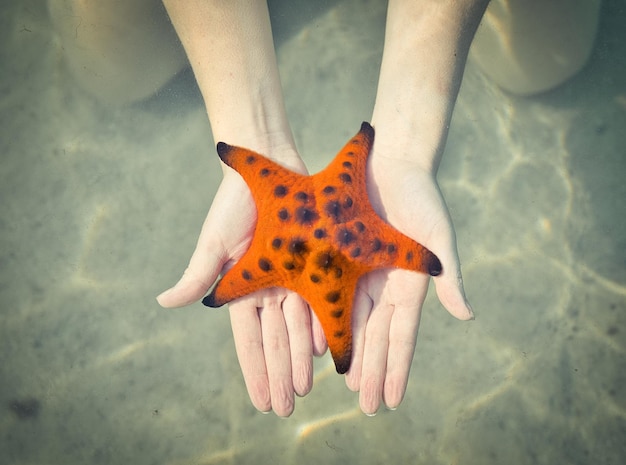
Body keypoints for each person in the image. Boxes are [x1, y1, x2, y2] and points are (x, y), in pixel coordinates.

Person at [48, 0, 600, 417]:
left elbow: (368, 176)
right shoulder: (325, 214)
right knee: (121, 74)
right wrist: (247, 121)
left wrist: (406, 134)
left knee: (541, 64)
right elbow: (257, 165)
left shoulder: (329, 220)